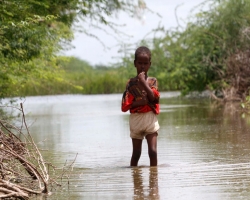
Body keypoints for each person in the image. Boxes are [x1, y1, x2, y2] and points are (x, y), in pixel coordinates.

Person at [121, 46, 160, 167]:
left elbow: (154, 98)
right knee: (136, 153)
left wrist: (143, 82)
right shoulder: (131, 84)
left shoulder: (152, 81)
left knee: (153, 152)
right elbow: (124, 106)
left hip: (150, 119)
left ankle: (154, 181)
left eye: (145, 63)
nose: (142, 66)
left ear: (150, 64)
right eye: (140, 63)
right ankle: (136, 181)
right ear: (135, 63)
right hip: (136, 120)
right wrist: (140, 103)